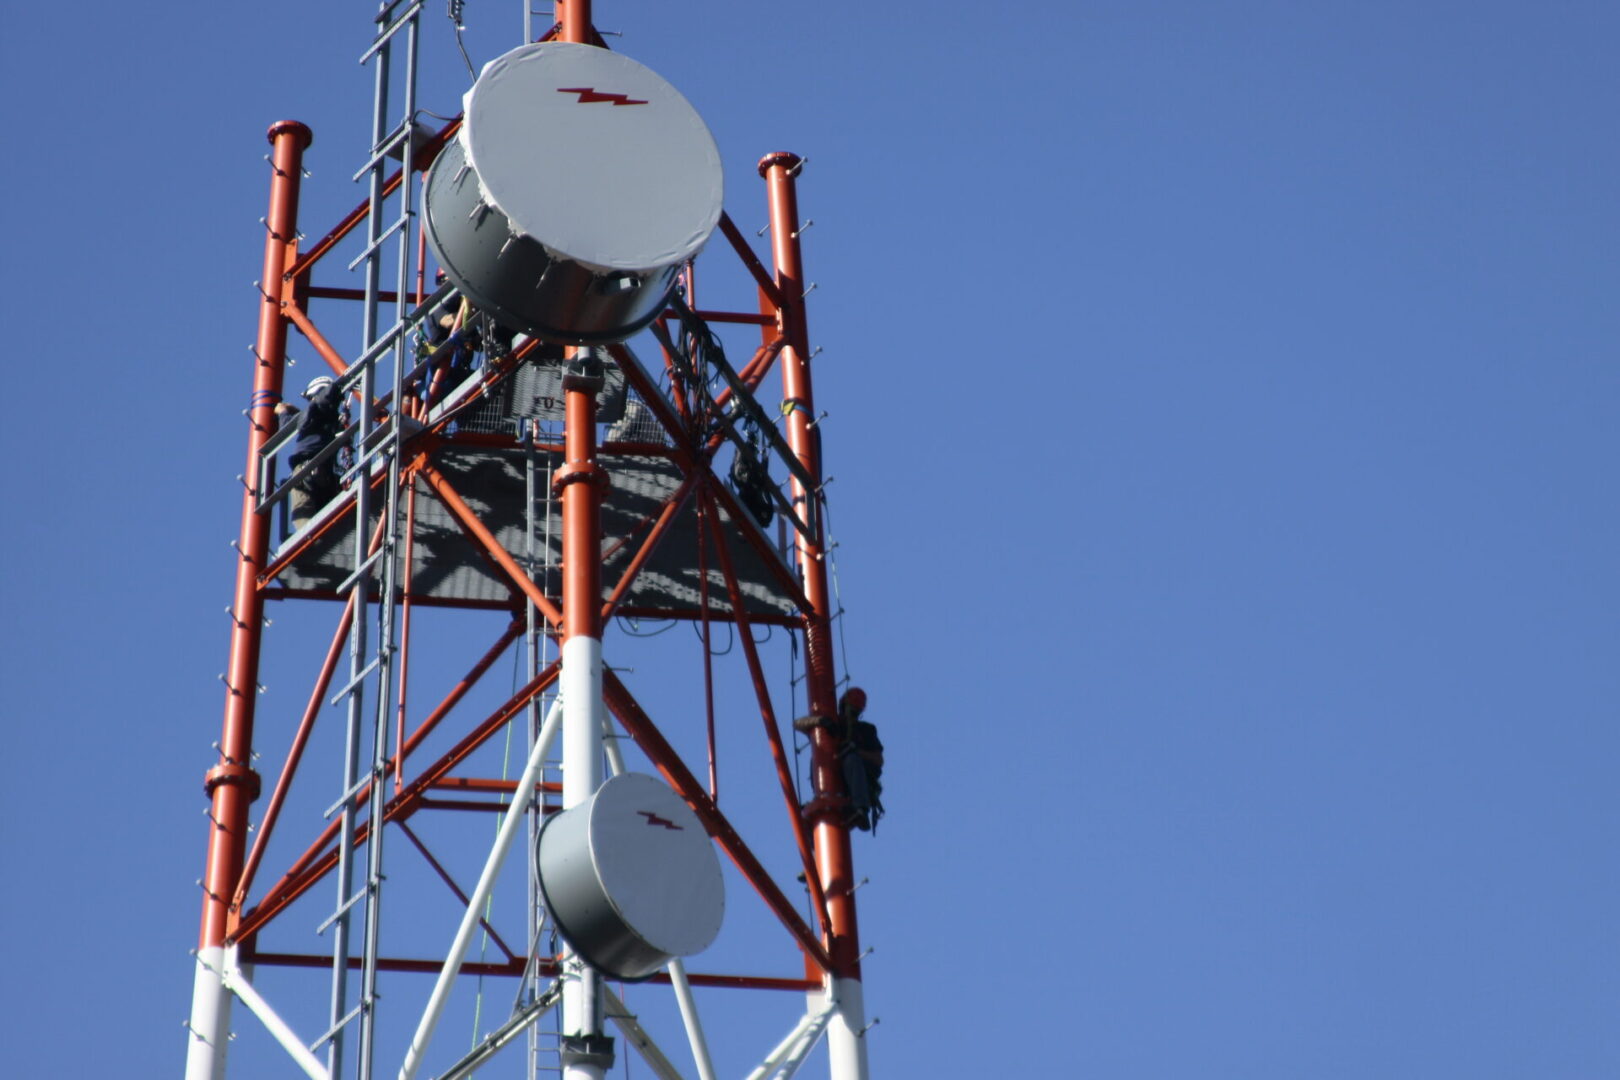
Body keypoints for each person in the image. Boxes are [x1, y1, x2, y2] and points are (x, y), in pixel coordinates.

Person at [794, 687, 884, 832]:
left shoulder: (866, 730)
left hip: (858, 781)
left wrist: (855, 750)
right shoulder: (833, 724)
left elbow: (878, 760)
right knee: (818, 758)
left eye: (853, 710)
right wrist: (819, 721)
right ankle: (821, 796)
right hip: (834, 775)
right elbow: (798, 723)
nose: (849, 714)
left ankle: (860, 809)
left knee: (851, 760)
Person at [275, 374, 344, 531]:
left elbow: (291, 427)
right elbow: (305, 422)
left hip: (307, 470)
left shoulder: (316, 410)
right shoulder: (329, 418)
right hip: (324, 474)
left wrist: (283, 412)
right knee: (326, 515)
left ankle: (310, 541)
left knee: (302, 512)